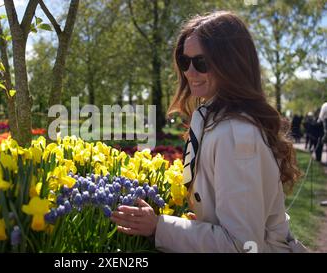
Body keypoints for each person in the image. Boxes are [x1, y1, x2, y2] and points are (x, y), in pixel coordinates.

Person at [110, 11, 306, 253]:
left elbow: (242, 246)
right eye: (185, 61)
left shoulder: (235, 134)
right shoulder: (213, 117)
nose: (190, 72)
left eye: (201, 63)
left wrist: (159, 226)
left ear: (231, 64)